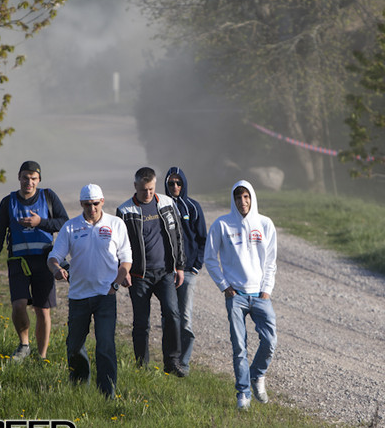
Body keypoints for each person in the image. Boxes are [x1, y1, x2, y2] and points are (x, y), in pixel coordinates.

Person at [47, 183, 132, 397]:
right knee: (74, 345)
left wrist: (116, 284)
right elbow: (54, 257)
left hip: (105, 295)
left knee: (105, 346)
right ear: (81, 204)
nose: (91, 208)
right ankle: (79, 388)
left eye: (95, 204)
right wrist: (57, 269)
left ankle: (107, 394)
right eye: (87, 204)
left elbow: (126, 260)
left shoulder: (116, 224)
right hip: (78, 295)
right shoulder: (71, 227)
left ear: (102, 201)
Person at [0, 161, 68, 361]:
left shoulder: (48, 197)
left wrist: (41, 223)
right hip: (18, 261)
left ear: (39, 180)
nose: (29, 182)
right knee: (18, 305)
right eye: (25, 178)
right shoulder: (8, 202)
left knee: (42, 310)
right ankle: (24, 345)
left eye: (33, 178)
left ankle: (42, 356)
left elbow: (64, 222)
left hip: (45, 260)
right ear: (19, 178)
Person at [204, 180, 277, 410]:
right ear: (233, 200)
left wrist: (266, 290)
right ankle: (243, 394)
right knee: (239, 346)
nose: (242, 202)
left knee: (270, 341)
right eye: (238, 197)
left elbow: (271, 261)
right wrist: (225, 286)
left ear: (252, 198)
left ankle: (257, 375)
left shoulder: (265, 224)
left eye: (246, 197)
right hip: (235, 296)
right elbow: (209, 258)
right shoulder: (222, 225)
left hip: (260, 295)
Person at [116, 167, 187, 377]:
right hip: (139, 276)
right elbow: (119, 244)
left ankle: (172, 362)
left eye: (151, 189)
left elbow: (178, 237)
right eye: (144, 189)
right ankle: (142, 366)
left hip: (165, 272)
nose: (148, 193)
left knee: (173, 315)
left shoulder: (167, 203)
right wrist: (123, 270)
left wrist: (180, 266)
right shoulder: (125, 211)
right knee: (141, 322)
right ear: (135, 186)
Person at [164, 167, 207, 376]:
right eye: (171, 183)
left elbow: (202, 240)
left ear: (184, 184)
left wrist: (196, 266)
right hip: (165, 273)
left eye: (178, 183)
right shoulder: (160, 206)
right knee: (169, 317)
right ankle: (169, 362)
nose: (175, 187)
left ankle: (184, 363)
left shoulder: (193, 207)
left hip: (188, 272)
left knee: (185, 318)